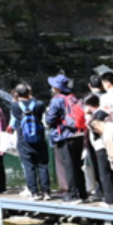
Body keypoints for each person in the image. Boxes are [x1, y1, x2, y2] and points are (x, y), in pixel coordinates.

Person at [44, 74, 88, 203]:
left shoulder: (57, 99)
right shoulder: (73, 97)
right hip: (78, 134)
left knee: (68, 165)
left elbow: (50, 119)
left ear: (56, 88)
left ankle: (72, 194)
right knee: (77, 165)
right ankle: (82, 193)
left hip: (64, 136)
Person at [9, 84, 50, 199]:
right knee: (43, 165)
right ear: (29, 92)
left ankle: (34, 193)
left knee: (29, 166)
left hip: (23, 139)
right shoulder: (39, 104)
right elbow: (38, 107)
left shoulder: (14, 106)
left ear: (16, 94)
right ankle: (46, 192)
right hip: (39, 138)